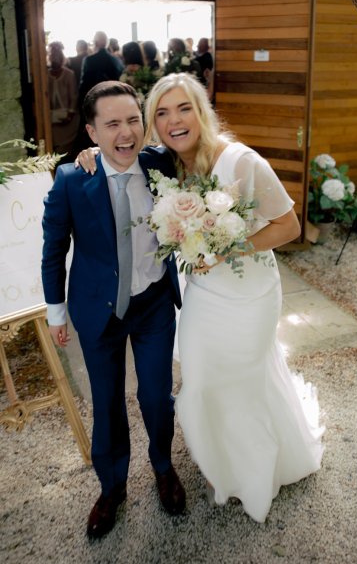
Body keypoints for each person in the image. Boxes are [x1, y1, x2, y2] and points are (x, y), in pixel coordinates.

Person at [76, 73, 325, 524]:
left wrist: (229, 246)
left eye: (184, 108)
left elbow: (289, 227)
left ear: (201, 110)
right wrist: (92, 151)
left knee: (242, 378)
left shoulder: (240, 161)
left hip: (250, 292)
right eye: (162, 113)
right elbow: (118, 155)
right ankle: (218, 457)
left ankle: (246, 464)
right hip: (204, 294)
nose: (174, 120)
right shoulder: (165, 164)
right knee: (203, 382)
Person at [41, 80, 186, 540]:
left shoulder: (161, 163)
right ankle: (112, 488)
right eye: (112, 125)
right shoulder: (71, 180)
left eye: (133, 120)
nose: (126, 133)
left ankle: (163, 467)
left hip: (153, 305)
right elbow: (52, 251)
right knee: (106, 405)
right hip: (97, 311)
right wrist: (56, 312)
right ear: (91, 132)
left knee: (156, 397)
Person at [47, 41, 80, 161]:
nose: (54, 59)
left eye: (57, 56)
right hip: (51, 120)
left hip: (68, 120)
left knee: (66, 154)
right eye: (52, 56)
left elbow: (74, 96)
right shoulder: (45, 75)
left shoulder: (69, 74)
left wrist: (70, 115)